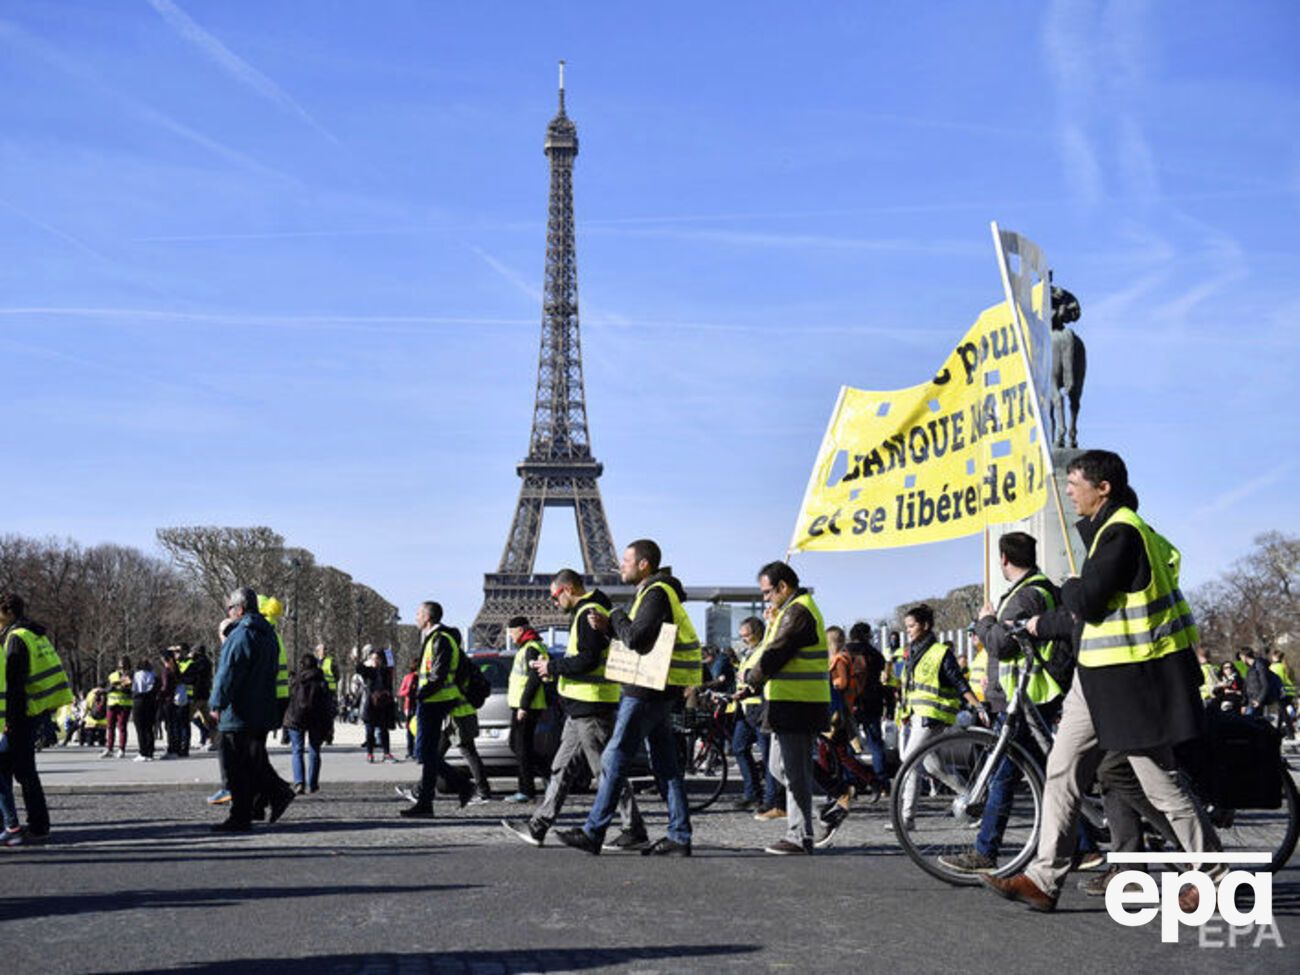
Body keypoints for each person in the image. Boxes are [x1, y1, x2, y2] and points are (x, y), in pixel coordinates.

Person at [982, 449, 1218, 912]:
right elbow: (1085, 620)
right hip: (1096, 681)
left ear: (1102, 487)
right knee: (1062, 770)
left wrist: (1069, 586)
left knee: (1158, 783)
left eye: (1075, 483)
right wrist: (1040, 625)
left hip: (1129, 682)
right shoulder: (1108, 533)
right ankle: (1043, 878)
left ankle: (1211, 873)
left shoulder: (1122, 531)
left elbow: (1086, 602)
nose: (1068, 492)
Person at [555, 538, 697, 857]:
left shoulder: (656, 593)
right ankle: (679, 835)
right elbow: (635, 636)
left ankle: (594, 831)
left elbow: (636, 638)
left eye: (627, 560)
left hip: (646, 689)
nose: (621, 565)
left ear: (644, 564)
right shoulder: (659, 593)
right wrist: (609, 627)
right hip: (661, 687)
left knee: (614, 756)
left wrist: (615, 615)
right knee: (665, 765)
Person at [941, 532, 1064, 873]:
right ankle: (1082, 844)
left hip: (1027, 697)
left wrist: (984, 622)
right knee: (1048, 775)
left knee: (1004, 776)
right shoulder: (1034, 590)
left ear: (1004, 559)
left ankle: (986, 851)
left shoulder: (1027, 596)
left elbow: (1002, 645)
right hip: (1023, 696)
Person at [502, 568, 646, 848]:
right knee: (561, 768)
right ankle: (538, 826)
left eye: (555, 597)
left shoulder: (587, 612)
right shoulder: (594, 609)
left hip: (591, 705)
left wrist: (551, 667)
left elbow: (589, 660)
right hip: (580, 705)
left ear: (567, 588)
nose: (555, 603)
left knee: (606, 772)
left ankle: (634, 829)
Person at [735, 561, 832, 855]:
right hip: (790, 702)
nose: (765, 598)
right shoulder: (790, 611)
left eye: (767, 592)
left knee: (790, 769)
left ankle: (800, 835)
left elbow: (776, 654)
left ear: (782, 587)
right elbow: (773, 649)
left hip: (798, 703)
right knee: (781, 767)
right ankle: (825, 812)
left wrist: (751, 678)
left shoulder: (798, 612)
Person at [207, 587, 293, 832]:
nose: (229, 613)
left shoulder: (241, 635)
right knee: (253, 760)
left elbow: (229, 673)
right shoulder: (268, 635)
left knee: (236, 765)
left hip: (239, 710)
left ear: (240, 609)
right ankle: (266, 799)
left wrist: (217, 703)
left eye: (230, 609)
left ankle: (248, 810)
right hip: (261, 707)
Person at [894, 603, 986, 830]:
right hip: (918, 715)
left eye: (912, 626)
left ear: (925, 626)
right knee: (935, 768)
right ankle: (975, 800)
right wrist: (905, 713)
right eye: (906, 626)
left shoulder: (940, 652)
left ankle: (906, 819)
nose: (908, 630)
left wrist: (978, 706)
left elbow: (958, 681)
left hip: (932, 716)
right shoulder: (913, 651)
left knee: (910, 762)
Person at [1, 592, 73, 842]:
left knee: (17, 770)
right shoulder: (34, 633)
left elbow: (14, 684)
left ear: (8, 612)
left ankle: (25, 826)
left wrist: (8, 720)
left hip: (22, 712)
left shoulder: (15, 637)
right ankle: (34, 824)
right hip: (38, 709)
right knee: (23, 770)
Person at [400, 601, 474, 818]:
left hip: (434, 700)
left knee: (423, 752)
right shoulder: (438, 638)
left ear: (428, 617)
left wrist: (420, 695)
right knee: (428, 753)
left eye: (418, 613)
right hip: (437, 699)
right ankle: (427, 802)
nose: (415, 616)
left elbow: (438, 675)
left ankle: (461, 785)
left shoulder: (440, 639)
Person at [503, 616, 549, 803]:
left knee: (521, 747)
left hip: (527, 706)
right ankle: (549, 774)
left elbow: (534, 678)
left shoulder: (530, 648)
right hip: (525, 704)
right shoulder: (528, 647)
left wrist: (524, 706)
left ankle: (527, 790)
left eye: (512, 632)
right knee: (520, 746)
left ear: (520, 630)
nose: (511, 636)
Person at [730, 616, 771, 812]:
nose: (743, 639)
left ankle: (769, 799)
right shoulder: (749, 652)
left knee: (767, 753)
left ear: (758, 633)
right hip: (745, 707)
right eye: (741, 636)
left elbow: (762, 676)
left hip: (760, 707)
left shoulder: (763, 650)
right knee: (738, 747)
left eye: (746, 636)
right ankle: (752, 793)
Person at [847, 622, 888, 788]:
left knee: (849, 742)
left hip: (851, 703)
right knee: (875, 743)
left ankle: (851, 781)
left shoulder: (845, 652)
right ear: (867, 636)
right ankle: (882, 782)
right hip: (872, 702)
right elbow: (882, 669)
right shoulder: (874, 654)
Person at [285, 653, 331, 794]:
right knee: (314, 750)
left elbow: (289, 699)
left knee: (297, 750)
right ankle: (313, 783)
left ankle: (299, 782)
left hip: (296, 718)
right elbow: (327, 704)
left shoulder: (296, 680)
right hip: (316, 719)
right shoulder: (321, 680)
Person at [356, 646, 397, 763]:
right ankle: (370, 753)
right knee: (370, 731)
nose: (374, 661)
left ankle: (386, 753)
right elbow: (359, 668)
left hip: (383, 705)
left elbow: (391, 666)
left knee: (384, 730)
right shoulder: (369, 671)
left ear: (381, 660)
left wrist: (387, 652)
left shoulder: (385, 671)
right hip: (371, 705)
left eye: (377, 658)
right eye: (373, 658)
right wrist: (359, 657)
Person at [102, 656, 133, 759]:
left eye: (124, 667)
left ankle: (121, 749)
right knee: (110, 727)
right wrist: (113, 687)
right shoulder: (112, 675)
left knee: (122, 727)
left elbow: (132, 690)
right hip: (112, 703)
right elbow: (107, 688)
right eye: (120, 667)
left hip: (124, 704)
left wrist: (125, 687)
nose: (122, 669)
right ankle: (109, 748)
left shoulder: (131, 675)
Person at [130, 659, 159, 761]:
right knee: (149, 728)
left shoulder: (137, 675)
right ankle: (150, 752)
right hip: (151, 701)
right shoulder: (153, 675)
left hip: (139, 700)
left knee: (140, 728)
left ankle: (143, 752)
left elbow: (134, 688)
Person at [187, 646, 214, 750]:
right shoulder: (208, 662)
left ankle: (184, 742)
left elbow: (188, 673)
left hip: (196, 695)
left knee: (187, 719)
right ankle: (211, 740)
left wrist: (189, 659)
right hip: (205, 694)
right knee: (207, 720)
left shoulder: (196, 663)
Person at [1270, 650, 1295, 738]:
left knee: (1284, 713)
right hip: (1291, 691)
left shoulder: (1274, 667)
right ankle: (1278, 730)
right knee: (1281, 712)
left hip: (1282, 691)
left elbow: (1276, 680)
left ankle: (1290, 733)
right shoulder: (1286, 666)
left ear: (1274, 657)